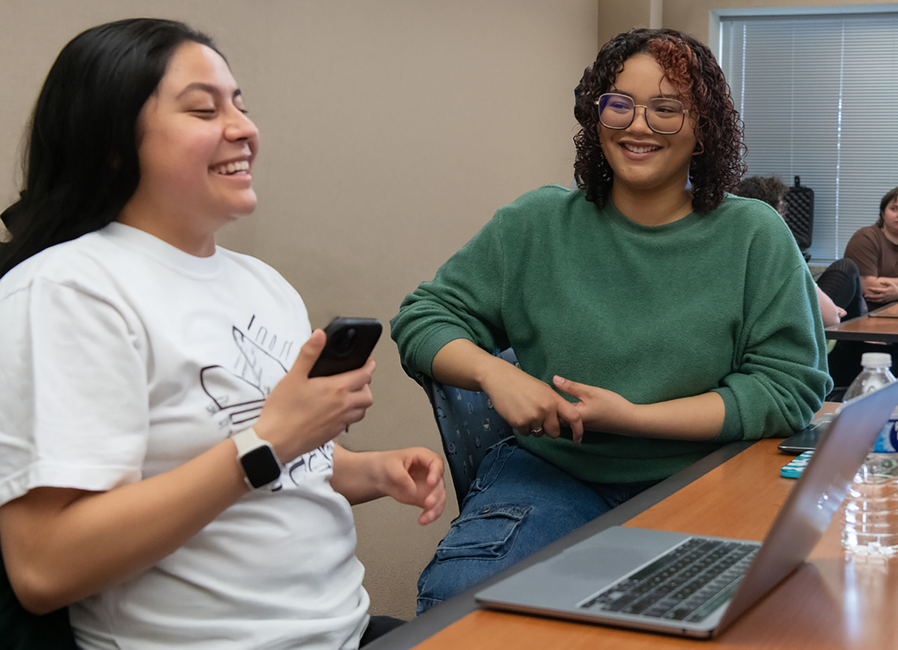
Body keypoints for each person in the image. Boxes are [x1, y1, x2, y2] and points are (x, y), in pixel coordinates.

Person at [0, 19, 446, 649]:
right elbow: (44, 567)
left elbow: (250, 452)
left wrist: (370, 470)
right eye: (204, 109)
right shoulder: (68, 290)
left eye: (239, 104)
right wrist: (274, 437)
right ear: (112, 143)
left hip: (346, 633)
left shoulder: (262, 284)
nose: (243, 127)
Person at [391, 28, 831, 614]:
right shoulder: (536, 223)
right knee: (458, 607)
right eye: (619, 104)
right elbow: (423, 317)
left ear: (703, 130)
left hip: (705, 475)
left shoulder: (754, 235)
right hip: (555, 474)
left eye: (666, 109)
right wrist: (496, 375)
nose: (638, 125)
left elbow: (788, 386)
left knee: (757, 615)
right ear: (596, 116)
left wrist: (636, 418)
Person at [732, 175, 867, 329]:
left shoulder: (730, 246)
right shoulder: (778, 249)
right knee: (847, 267)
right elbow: (831, 319)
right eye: (783, 207)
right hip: (800, 334)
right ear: (775, 210)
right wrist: (832, 311)